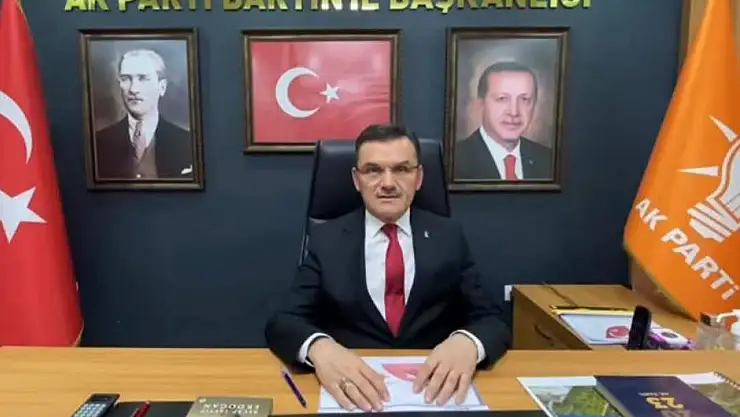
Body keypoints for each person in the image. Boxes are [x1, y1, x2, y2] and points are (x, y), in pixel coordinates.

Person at [265, 124, 511, 412]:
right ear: (356, 179)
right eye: (373, 170)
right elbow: (284, 321)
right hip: (352, 394)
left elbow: (492, 320)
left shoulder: (448, 235)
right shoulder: (326, 238)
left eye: (402, 169)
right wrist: (320, 348)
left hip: (433, 394)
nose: (388, 183)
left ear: (419, 177)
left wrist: (468, 343)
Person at [94, 48, 193, 180]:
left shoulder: (187, 143)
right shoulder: (98, 143)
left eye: (143, 78)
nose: (133, 89)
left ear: (162, 87)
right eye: (126, 78)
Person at [454, 61, 552, 181]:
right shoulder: (455, 160)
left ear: (534, 105)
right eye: (502, 99)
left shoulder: (549, 160)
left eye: (524, 99)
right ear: (482, 104)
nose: (514, 112)